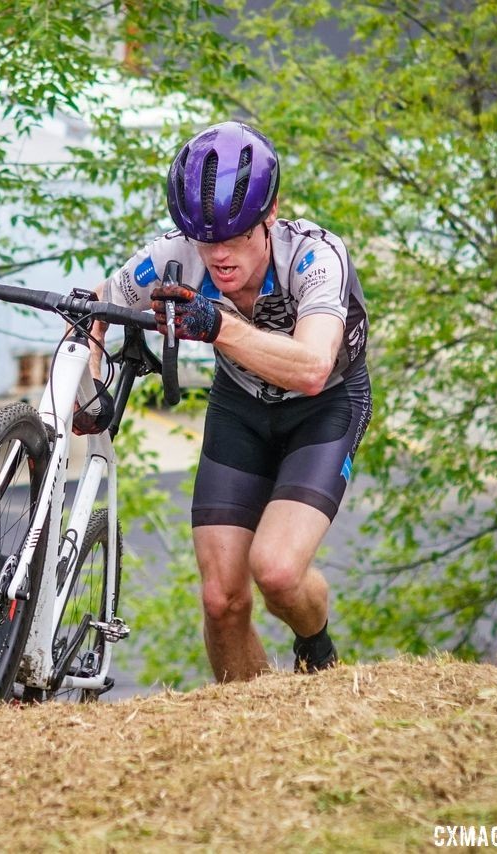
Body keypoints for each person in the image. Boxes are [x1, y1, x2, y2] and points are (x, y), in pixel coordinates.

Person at [77, 120, 372, 681]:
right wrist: (87, 382)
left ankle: (315, 640)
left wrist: (220, 329)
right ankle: (249, 728)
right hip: (240, 408)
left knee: (279, 573)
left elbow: (312, 368)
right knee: (221, 601)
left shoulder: (314, 258)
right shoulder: (173, 255)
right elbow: (95, 308)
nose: (218, 255)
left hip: (325, 407)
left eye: (236, 236)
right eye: (204, 239)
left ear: (272, 214)